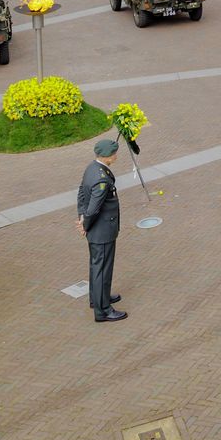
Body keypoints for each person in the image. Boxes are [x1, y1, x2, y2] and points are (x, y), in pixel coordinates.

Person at [77, 138, 126, 323]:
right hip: (102, 231)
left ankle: (97, 298)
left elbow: (81, 193)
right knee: (103, 270)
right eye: (114, 153)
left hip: (97, 230)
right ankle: (103, 310)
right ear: (106, 156)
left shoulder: (91, 168)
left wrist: (81, 217)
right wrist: (85, 224)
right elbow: (94, 209)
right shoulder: (101, 179)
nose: (116, 156)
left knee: (96, 267)